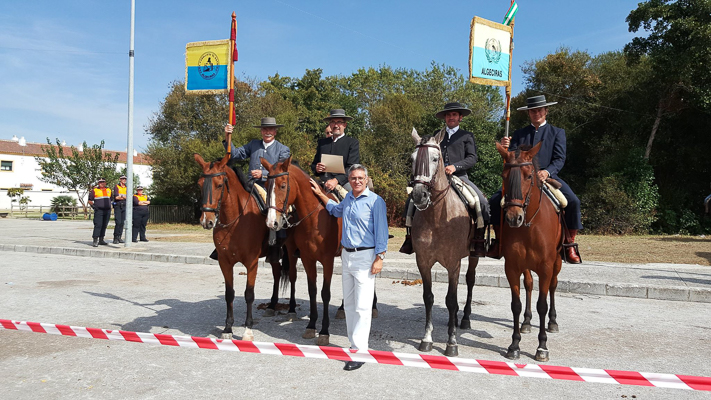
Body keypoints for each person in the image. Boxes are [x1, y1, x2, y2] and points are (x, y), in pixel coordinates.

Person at [310, 164, 388, 371]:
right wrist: (320, 194)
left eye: (360, 178)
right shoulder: (348, 199)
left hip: (366, 256)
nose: (357, 181)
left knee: (363, 306)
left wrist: (379, 257)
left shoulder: (375, 201)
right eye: (353, 178)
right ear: (350, 180)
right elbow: (335, 210)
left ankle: (360, 351)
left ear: (366, 179)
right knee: (350, 304)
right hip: (347, 255)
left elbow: (382, 230)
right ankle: (354, 345)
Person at [488, 95, 582, 263]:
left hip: (547, 176)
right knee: (495, 201)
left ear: (546, 111)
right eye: (533, 111)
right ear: (529, 113)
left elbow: (560, 159)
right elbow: (512, 158)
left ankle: (570, 244)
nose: (536, 113)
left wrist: (548, 172)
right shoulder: (519, 133)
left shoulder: (557, 132)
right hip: (522, 178)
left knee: (573, 201)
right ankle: (498, 241)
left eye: (539, 110)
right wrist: (506, 148)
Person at [399, 102, 490, 256]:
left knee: (480, 201)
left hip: (459, 177)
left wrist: (455, 167)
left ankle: (478, 240)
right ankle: (409, 238)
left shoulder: (467, 136)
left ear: (460, 117)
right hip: (435, 178)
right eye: (448, 115)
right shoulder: (436, 135)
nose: (451, 117)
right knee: (412, 200)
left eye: (454, 115)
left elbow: (472, 158)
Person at [224, 117, 290, 188]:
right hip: (251, 187)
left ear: (275, 132)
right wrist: (227, 136)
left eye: (270, 129)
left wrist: (263, 174)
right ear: (261, 131)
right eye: (265, 129)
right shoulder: (253, 144)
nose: (267, 132)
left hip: (271, 188)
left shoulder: (283, 149)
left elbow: (282, 171)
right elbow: (235, 154)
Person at [310, 109, 360, 193]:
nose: (336, 125)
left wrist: (336, 180)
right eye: (333, 122)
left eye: (339, 122)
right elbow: (314, 164)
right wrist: (317, 168)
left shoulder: (352, 143)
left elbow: (352, 167)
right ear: (330, 124)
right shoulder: (322, 143)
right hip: (323, 181)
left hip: (344, 182)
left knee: (357, 196)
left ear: (345, 125)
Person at [88, 177, 112, 247]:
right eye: (100, 182)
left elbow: (111, 199)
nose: (102, 183)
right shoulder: (94, 191)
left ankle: (101, 239)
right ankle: (95, 239)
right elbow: (90, 200)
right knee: (98, 225)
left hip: (107, 210)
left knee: (104, 225)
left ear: (105, 183)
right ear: (98, 183)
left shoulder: (109, 190)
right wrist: (94, 206)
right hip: (99, 210)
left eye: (103, 182)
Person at [111, 175, 128, 244]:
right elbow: (116, 197)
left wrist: (122, 196)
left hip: (124, 206)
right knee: (118, 222)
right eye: (122, 179)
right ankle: (115, 237)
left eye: (125, 179)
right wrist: (124, 197)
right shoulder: (116, 186)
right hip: (118, 206)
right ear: (120, 179)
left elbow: (129, 197)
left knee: (122, 223)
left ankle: (119, 237)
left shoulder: (127, 187)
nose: (124, 180)